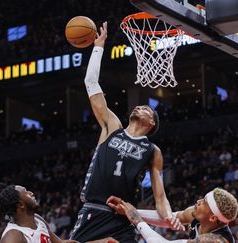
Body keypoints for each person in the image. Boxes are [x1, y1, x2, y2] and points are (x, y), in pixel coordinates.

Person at [69, 21, 182, 243]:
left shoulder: (152, 150)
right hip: (93, 209)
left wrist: (169, 216)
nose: (139, 107)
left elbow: (160, 197)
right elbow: (90, 82)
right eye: (138, 106)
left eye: (146, 109)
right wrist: (98, 47)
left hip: (122, 217)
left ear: (151, 123)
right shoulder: (112, 126)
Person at [0, 184, 118, 243]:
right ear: (20, 205)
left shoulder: (37, 219)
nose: (31, 192)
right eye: (26, 192)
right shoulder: (13, 237)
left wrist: (101, 242)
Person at [107, 188, 238, 243]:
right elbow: (168, 219)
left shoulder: (216, 240)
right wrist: (128, 210)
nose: (199, 201)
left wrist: (137, 219)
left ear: (212, 218)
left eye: (204, 202)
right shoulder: (197, 214)